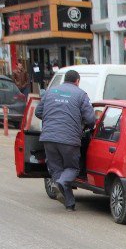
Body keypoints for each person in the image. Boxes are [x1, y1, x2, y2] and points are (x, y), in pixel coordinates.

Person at [35, 69, 95, 211]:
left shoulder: (50, 92)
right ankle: (61, 183)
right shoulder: (81, 95)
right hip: (69, 139)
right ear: (77, 81)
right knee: (72, 168)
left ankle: (69, 203)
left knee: (56, 169)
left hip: (48, 138)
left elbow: (38, 112)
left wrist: (51, 120)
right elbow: (91, 119)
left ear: (64, 79)